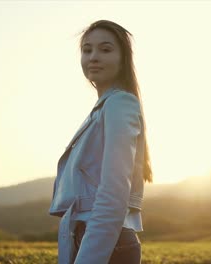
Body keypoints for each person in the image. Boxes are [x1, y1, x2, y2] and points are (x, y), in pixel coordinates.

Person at [48, 20, 153, 264]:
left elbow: (114, 192)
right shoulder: (102, 108)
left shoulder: (119, 103)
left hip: (104, 241)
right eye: (87, 50)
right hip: (94, 236)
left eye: (105, 50)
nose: (94, 57)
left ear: (123, 59)